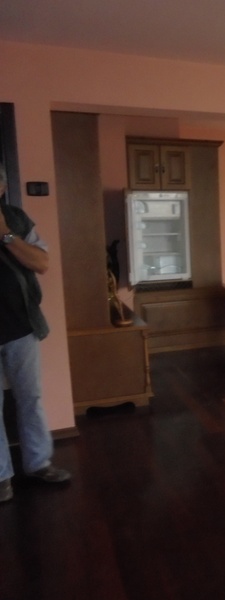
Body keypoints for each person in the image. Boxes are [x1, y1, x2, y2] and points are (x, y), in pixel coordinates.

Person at [0, 162, 70, 503]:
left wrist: (5, 234)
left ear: (1, 187)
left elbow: (41, 263)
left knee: (30, 397)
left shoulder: (16, 219)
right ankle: (2, 477)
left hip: (21, 326)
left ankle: (39, 463)